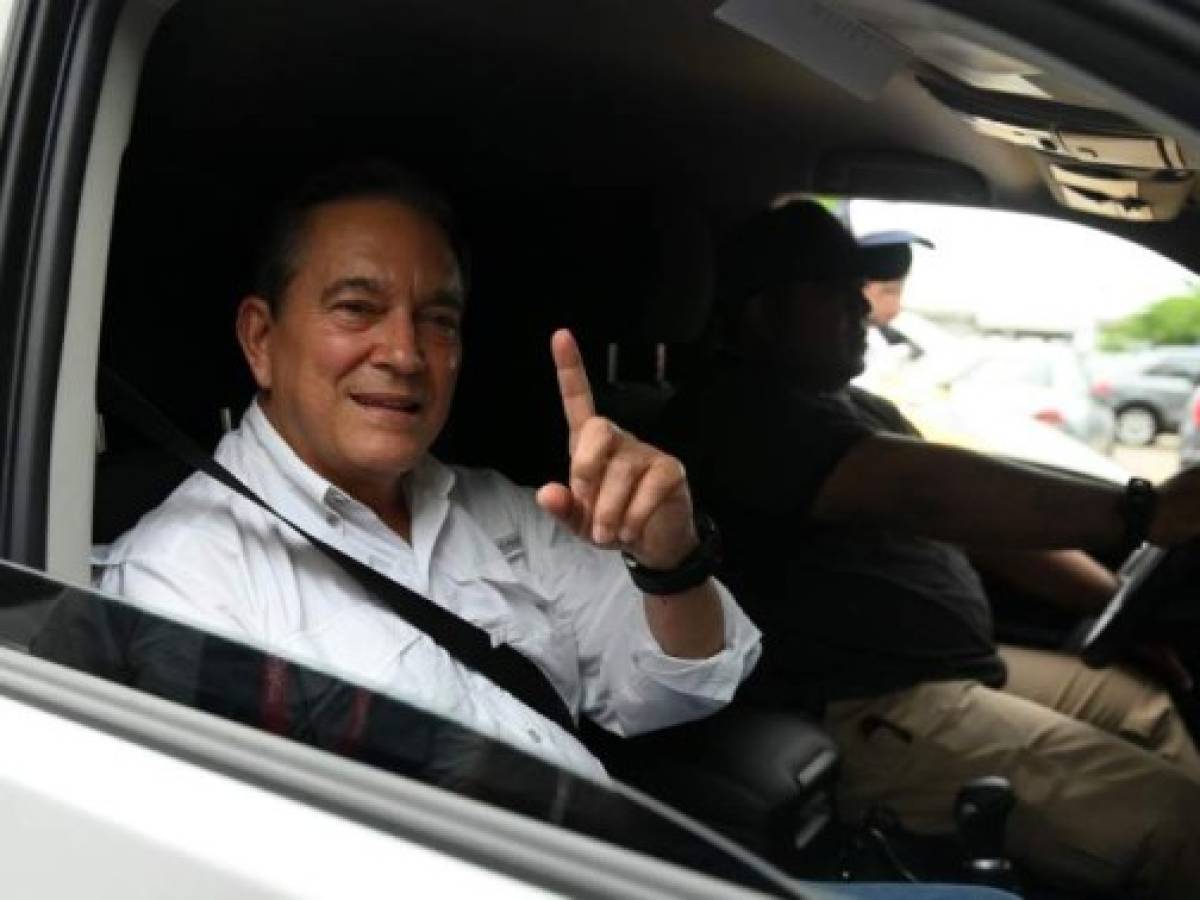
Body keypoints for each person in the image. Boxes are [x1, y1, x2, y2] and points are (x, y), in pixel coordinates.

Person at [90, 160, 762, 781]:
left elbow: (680, 687)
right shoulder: (186, 578)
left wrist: (671, 560)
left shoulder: (503, 512)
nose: (406, 352)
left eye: (438, 319)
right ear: (261, 341)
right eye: (357, 308)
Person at [658, 199, 1200, 899]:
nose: (862, 304)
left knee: (1150, 706)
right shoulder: (737, 415)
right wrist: (1140, 511)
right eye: (833, 287)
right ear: (763, 314)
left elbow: (985, 526)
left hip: (959, 668)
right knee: (1178, 823)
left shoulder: (857, 407)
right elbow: (931, 494)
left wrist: (1121, 608)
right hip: (870, 706)